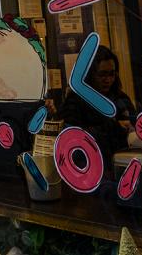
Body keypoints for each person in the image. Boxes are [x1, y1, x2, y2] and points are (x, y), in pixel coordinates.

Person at [53, 45, 135, 173]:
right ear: (90, 74)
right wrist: (113, 127)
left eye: (112, 74)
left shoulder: (120, 98)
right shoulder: (76, 101)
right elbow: (70, 138)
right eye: (102, 75)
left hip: (122, 166)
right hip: (90, 169)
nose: (108, 80)